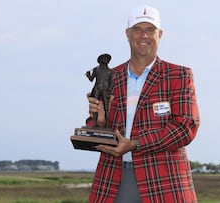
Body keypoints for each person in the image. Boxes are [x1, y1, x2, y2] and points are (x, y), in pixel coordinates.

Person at [86, 5, 200, 203]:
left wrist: (136, 144)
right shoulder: (112, 76)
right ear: (127, 33)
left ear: (160, 34)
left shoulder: (178, 75)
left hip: (164, 181)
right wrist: (100, 122)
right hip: (115, 178)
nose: (143, 36)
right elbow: (93, 126)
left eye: (150, 30)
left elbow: (186, 127)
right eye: (137, 29)